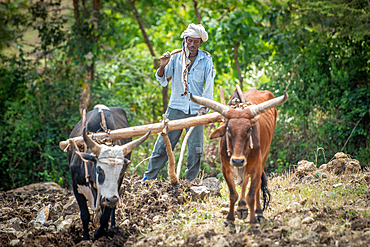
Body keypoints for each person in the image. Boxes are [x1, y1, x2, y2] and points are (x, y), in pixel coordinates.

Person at [142, 23, 216, 182]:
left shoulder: (206, 60)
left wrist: (204, 108)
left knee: (195, 149)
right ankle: (147, 179)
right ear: (185, 40)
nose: (192, 45)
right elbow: (162, 79)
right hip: (175, 108)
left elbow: (209, 86)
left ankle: (190, 183)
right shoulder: (175, 57)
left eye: (196, 42)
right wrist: (162, 65)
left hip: (197, 110)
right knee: (162, 145)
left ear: (200, 43)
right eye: (190, 41)